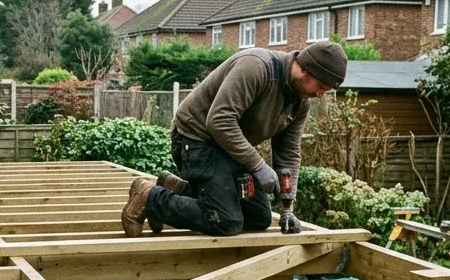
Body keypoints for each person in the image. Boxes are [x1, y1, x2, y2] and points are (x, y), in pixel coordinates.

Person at [120, 40, 347, 237]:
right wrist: (257, 165)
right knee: (225, 221)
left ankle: (176, 189)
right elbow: (219, 120)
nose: (320, 95)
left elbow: (288, 153)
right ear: (305, 70)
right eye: (321, 86)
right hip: (196, 139)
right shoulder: (256, 67)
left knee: (258, 218)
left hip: (230, 149)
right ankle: (149, 196)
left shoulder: (299, 101)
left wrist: (287, 208)